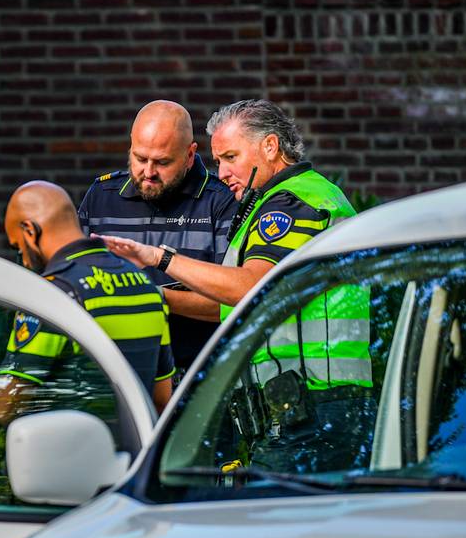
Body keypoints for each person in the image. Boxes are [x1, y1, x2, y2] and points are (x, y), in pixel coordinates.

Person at [98, 99, 373, 472]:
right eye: (218, 161)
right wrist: (155, 295)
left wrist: (159, 258)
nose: (223, 173)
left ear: (270, 147)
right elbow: (232, 303)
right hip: (309, 410)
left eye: (231, 157)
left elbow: (251, 287)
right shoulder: (285, 199)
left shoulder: (293, 202)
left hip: (313, 410)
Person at [0, 181, 174, 423]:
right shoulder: (145, 286)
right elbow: (161, 400)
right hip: (136, 445)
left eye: (19, 248)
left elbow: (4, 406)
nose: (24, 261)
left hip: (76, 446)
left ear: (30, 231)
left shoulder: (51, 294)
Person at [77, 100, 236, 374]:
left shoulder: (221, 200)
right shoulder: (101, 196)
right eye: (140, 158)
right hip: (114, 373)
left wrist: (149, 297)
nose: (149, 172)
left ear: (190, 155)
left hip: (196, 376)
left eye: (163, 162)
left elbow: (232, 301)